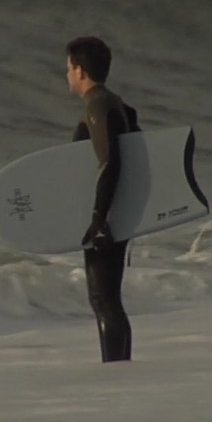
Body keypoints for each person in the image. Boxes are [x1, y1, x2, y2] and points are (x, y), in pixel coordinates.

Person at [66, 36, 140, 363]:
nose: (67, 75)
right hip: (116, 212)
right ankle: (119, 365)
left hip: (106, 216)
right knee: (108, 298)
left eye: (69, 69)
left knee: (103, 299)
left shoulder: (97, 105)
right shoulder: (115, 103)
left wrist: (98, 220)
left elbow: (110, 162)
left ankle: (115, 368)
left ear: (81, 71)